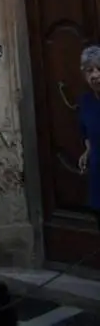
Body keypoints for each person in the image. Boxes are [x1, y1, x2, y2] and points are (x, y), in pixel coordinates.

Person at [78, 45, 100, 226]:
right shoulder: (85, 102)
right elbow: (86, 133)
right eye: (89, 70)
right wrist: (87, 151)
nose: (95, 75)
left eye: (99, 69)